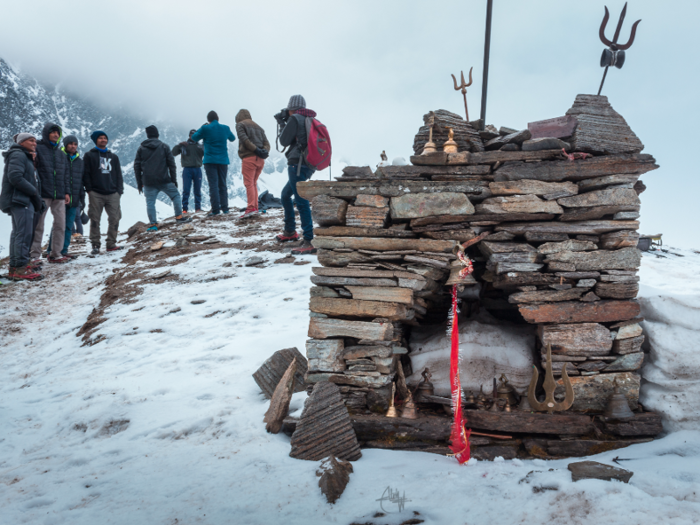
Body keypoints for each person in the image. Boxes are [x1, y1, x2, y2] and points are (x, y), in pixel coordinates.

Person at [274, 95, 317, 255]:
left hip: (297, 164)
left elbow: (284, 141)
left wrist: (281, 123)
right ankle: (290, 231)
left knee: (300, 200)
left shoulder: (295, 119)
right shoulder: (309, 118)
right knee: (286, 195)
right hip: (308, 165)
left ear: (292, 108)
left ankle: (309, 240)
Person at [0, 133, 44, 281]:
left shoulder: (23, 156)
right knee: (24, 234)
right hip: (21, 200)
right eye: (31, 140)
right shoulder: (18, 155)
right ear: (22, 142)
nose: (35, 143)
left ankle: (16, 267)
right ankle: (20, 268)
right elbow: (15, 177)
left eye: (35, 141)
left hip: (20, 199)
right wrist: (34, 192)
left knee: (19, 233)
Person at [134, 125, 191, 231]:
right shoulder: (164, 146)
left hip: (148, 181)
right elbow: (171, 164)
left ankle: (153, 224)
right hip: (164, 179)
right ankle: (179, 217)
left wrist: (139, 183)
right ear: (157, 134)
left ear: (147, 135)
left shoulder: (141, 148)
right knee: (175, 196)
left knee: (150, 203)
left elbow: (137, 167)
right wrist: (173, 180)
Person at [30, 122, 70, 264]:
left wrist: (67, 192)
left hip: (59, 194)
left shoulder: (61, 153)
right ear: (46, 134)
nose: (55, 135)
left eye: (58, 133)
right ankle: (34, 255)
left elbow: (66, 174)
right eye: (53, 132)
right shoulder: (38, 149)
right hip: (43, 193)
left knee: (60, 224)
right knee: (38, 224)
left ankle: (55, 253)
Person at [83, 130, 124, 255]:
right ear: (96, 140)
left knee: (115, 218)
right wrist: (89, 190)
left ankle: (111, 243)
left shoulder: (113, 157)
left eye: (105, 138)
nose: (103, 140)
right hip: (96, 193)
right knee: (95, 219)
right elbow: (86, 174)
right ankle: (95, 244)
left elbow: (118, 174)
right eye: (100, 138)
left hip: (113, 193)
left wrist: (119, 191)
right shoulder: (89, 155)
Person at [191, 111, 236, 216]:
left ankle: (215, 210)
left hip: (210, 160)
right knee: (223, 184)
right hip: (223, 160)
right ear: (218, 118)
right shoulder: (225, 128)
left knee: (213, 185)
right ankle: (225, 208)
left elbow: (194, 138)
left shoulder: (205, 128)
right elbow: (233, 138)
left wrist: (202, 127)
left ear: (208, 120)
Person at [47, 135, 84, 258]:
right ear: (65, 144)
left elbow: (81, 181)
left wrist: (81, 199)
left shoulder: (79, 161)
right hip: (60, 197)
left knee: (68, 226)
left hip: (74, 199)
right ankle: (51, 250)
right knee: (58, 225)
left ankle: (63, 250)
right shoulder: (59, 157)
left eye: (75, 144)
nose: (73, 146)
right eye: (71, 144)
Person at [235, 109, 270, 219]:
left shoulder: (240, 125)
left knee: (248, 182)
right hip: (260, 159)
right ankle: (254, 207)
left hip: (249, 157)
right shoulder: (259, 127)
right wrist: (264, 151)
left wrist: (255, 149)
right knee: (254, 182)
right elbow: (266, 143)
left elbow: (244, 139)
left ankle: (251, 208)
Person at [172, 129, 204, 213]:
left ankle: (198, 208)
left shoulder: (200, 146)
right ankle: (185, 209)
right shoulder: (184, 145)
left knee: (197, 190)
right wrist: (179, 145)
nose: (193, 137)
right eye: (192, 135)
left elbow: (206, 152)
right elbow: (173, 152)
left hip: (197, 169)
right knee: (186, 190)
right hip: (187, 169)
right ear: (189, 136)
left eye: (194, 135)